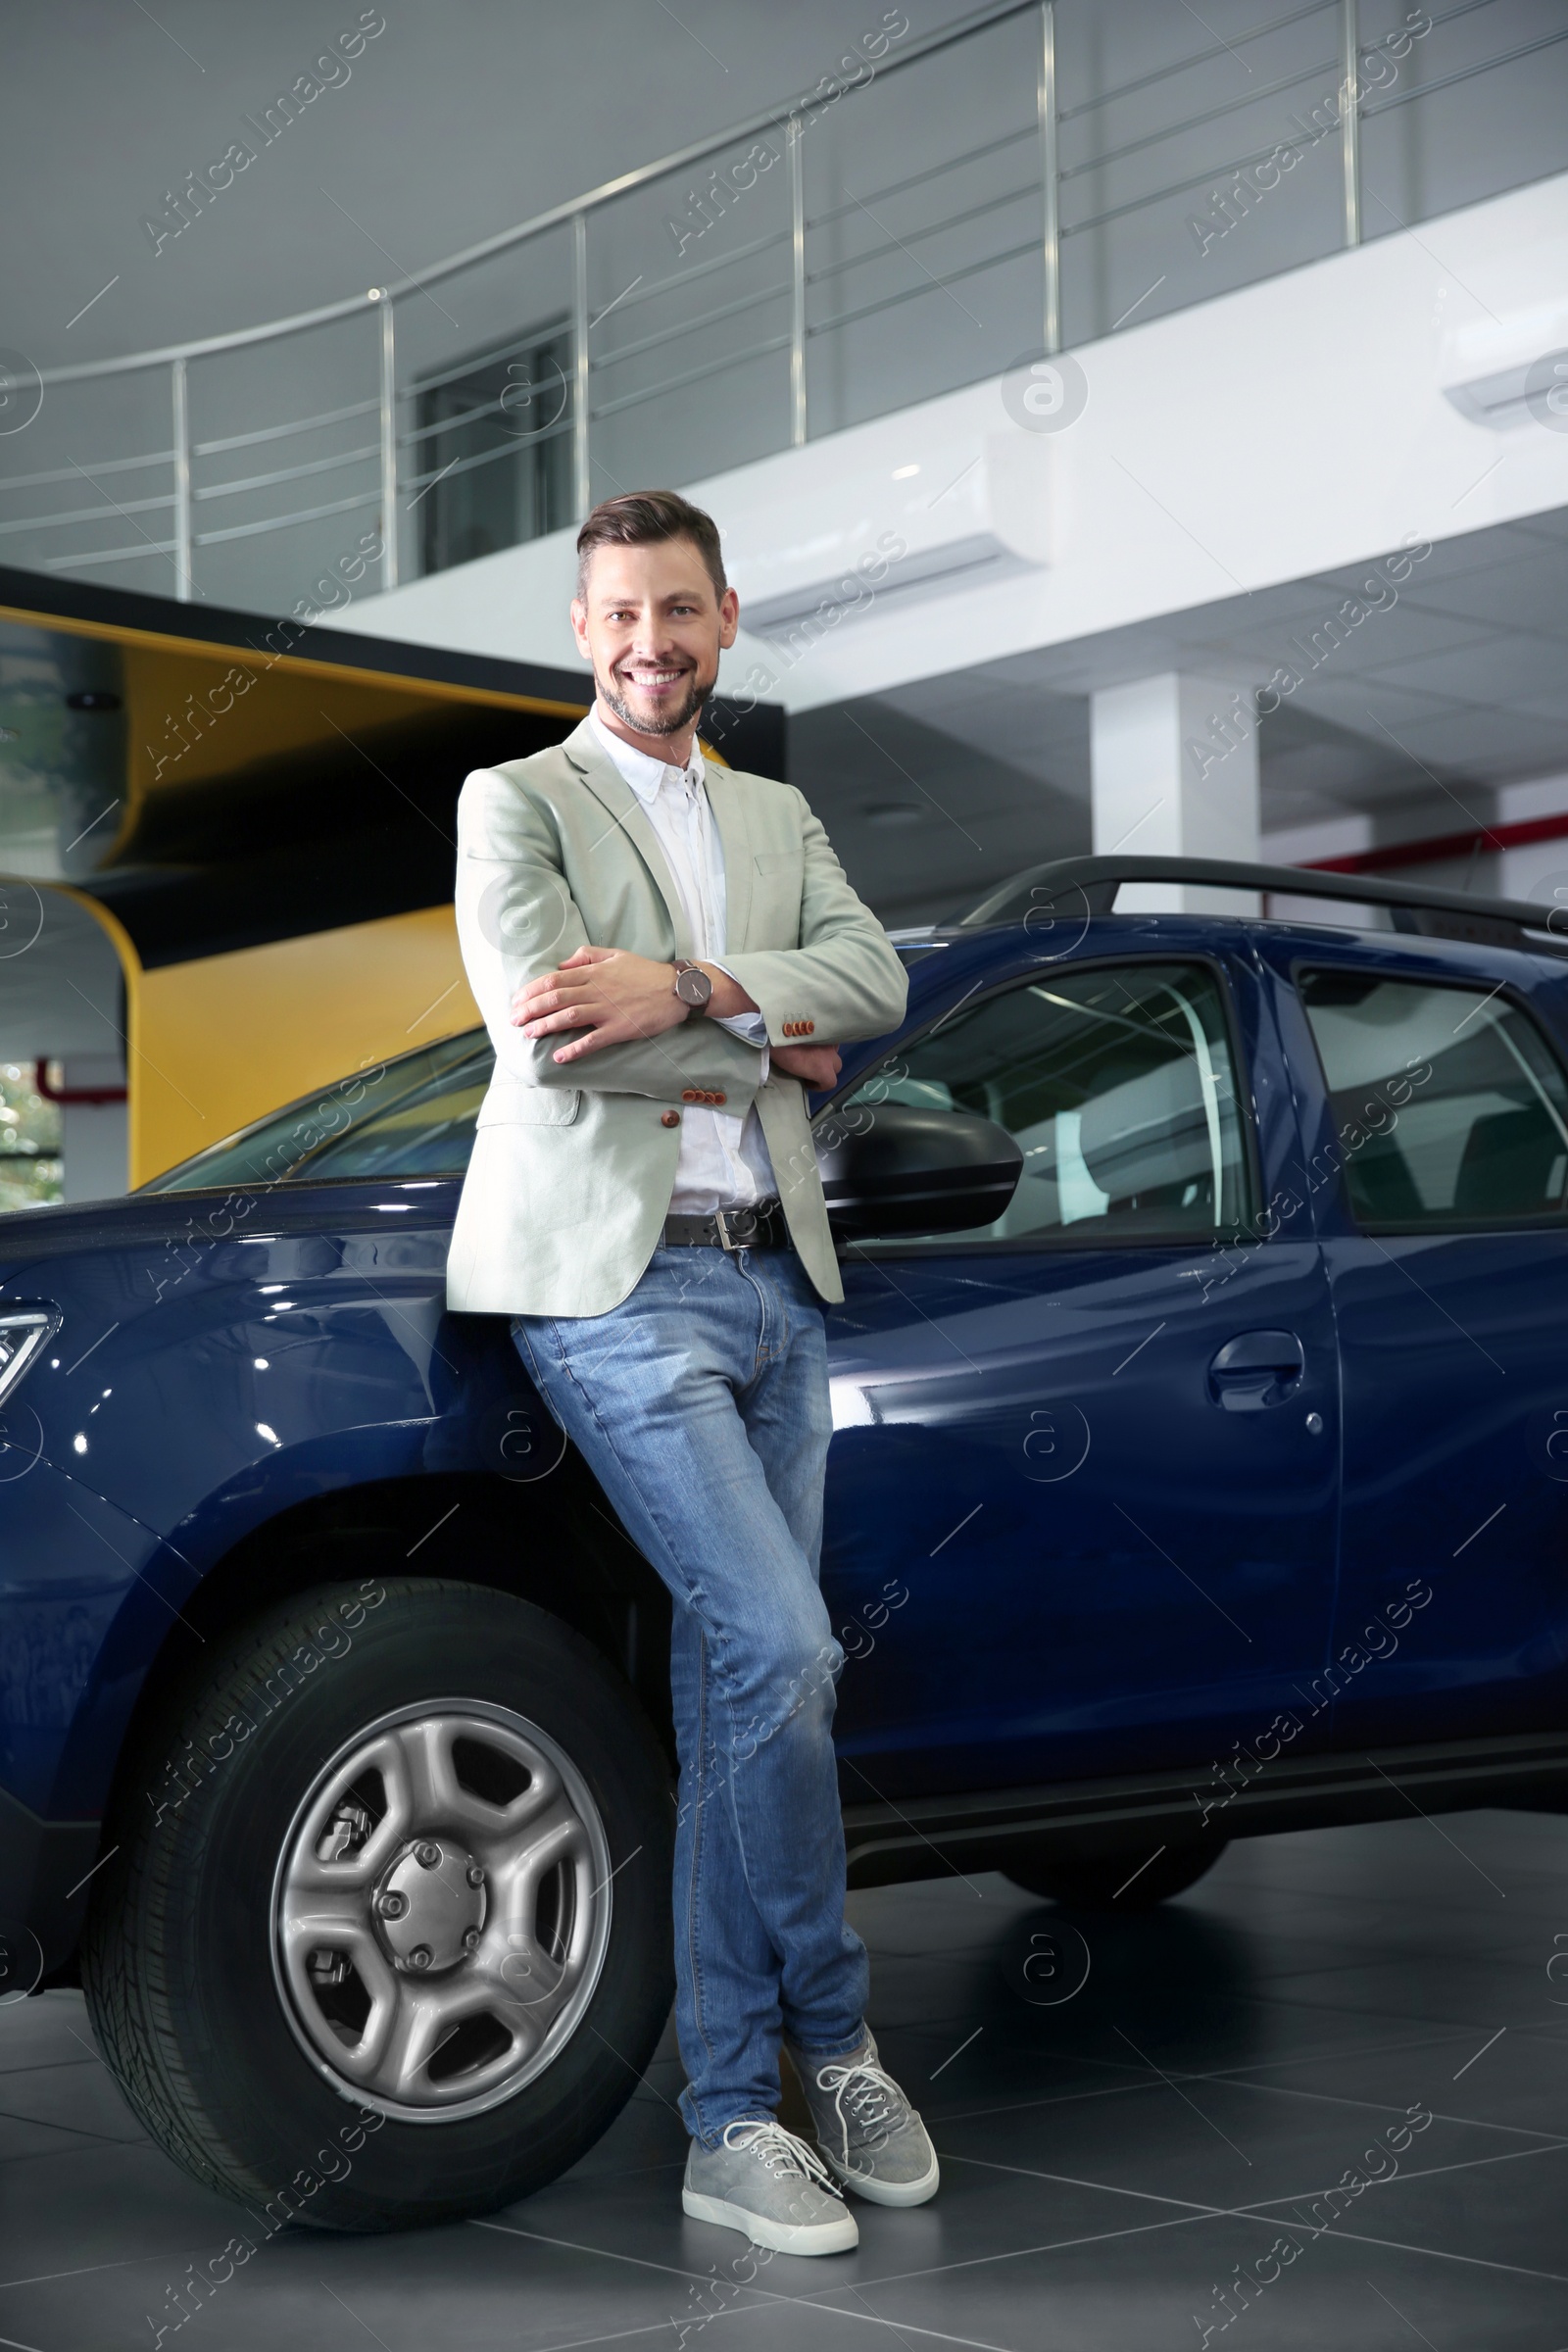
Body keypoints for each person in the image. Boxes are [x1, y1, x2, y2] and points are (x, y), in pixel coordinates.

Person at [446, 489, 935, 2256]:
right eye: (618, 615)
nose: (650, 641)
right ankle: (821, 2039)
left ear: (725, 620)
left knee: (751, 1686)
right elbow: (549, 1028)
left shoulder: (779, 809)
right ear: (584, 632)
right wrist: (753, 1033)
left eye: (679, 609)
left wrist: (688, 987)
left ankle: (741, 2113)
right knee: (787, 1648)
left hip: (775, 1290)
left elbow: (872, 983)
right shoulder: (518, 800)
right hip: (618, 1288)